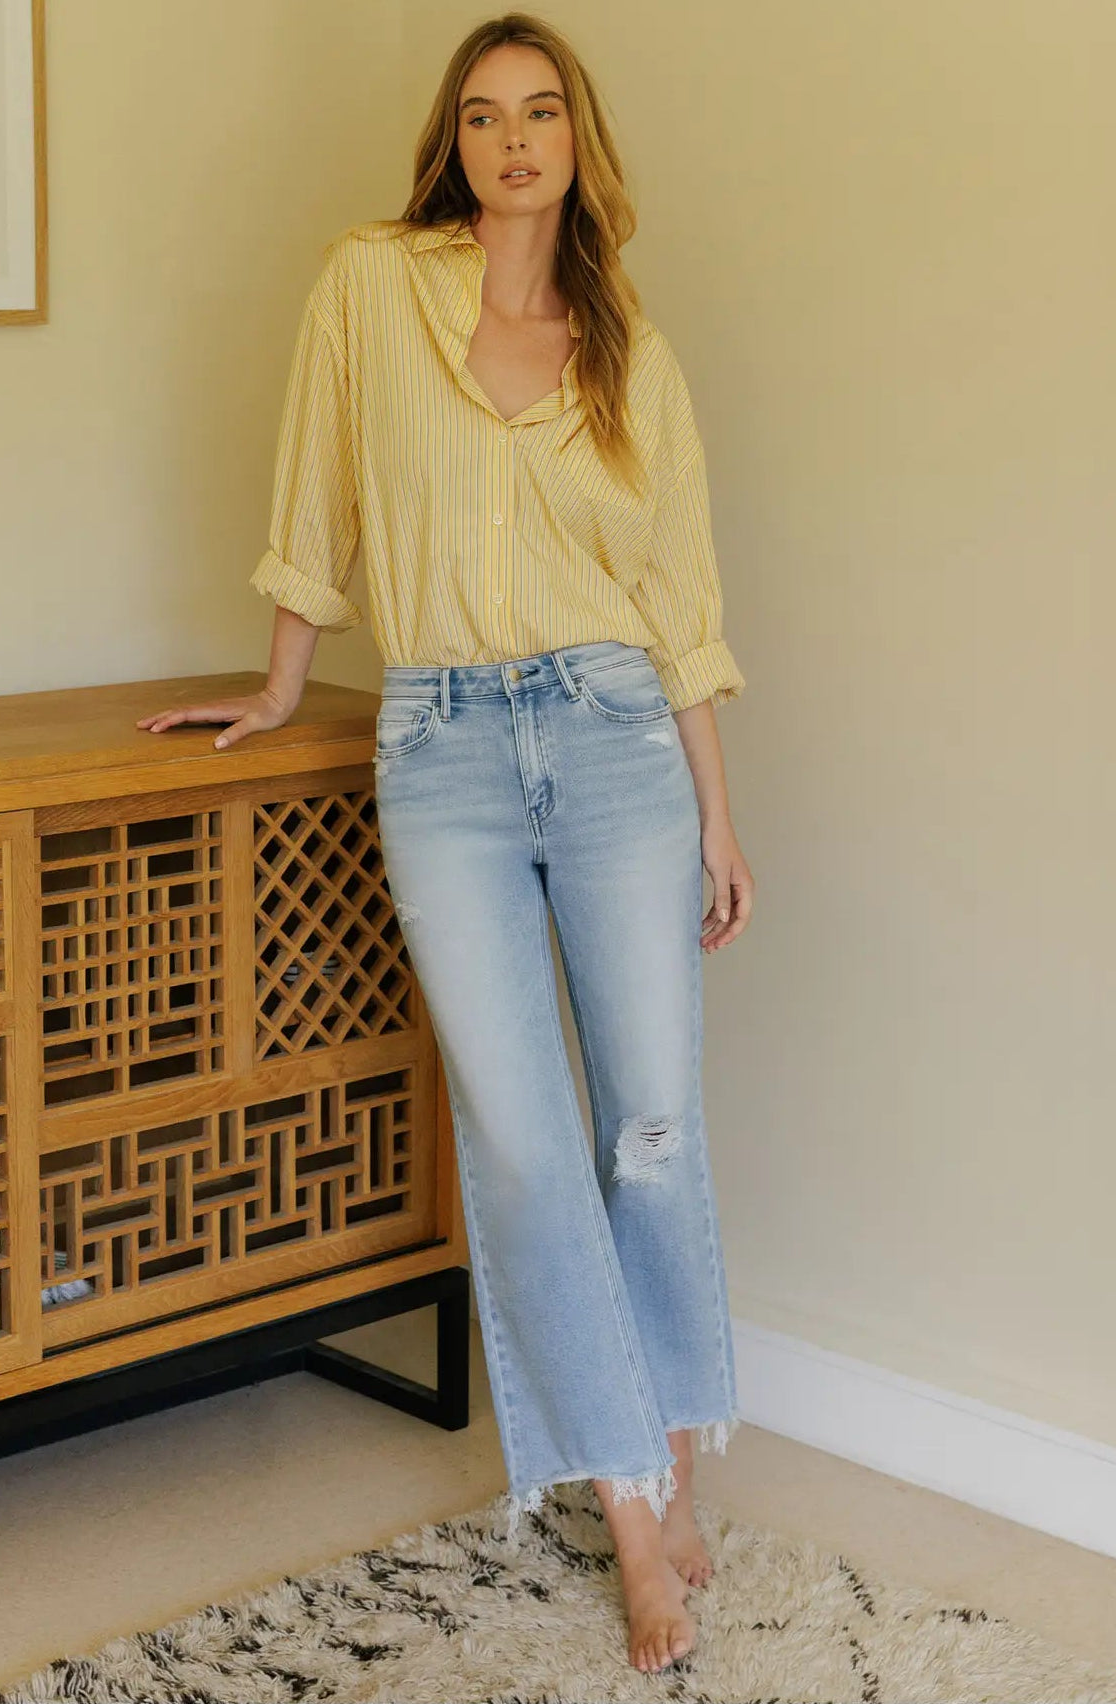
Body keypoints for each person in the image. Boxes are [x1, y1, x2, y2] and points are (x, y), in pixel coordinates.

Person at [137, 10, 754, 1675]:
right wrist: (280, 688)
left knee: (649, 1122)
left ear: (578, 139)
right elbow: (318, 485)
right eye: (482, 115)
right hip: (442, 747)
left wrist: (717, 810)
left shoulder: (636, 353)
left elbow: (680, 604)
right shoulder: (371, 286)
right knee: (525, 1134)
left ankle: (669, 1454)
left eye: (540, 111)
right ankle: (637, 1500)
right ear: (455, 142)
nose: (512, 140)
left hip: (623, 741)